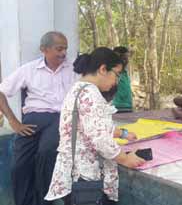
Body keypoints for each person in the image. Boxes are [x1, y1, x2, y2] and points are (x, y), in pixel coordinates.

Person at [45, 47, 145, 204]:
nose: (116, 81)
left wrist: (122, 133)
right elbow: (100, 139)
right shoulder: (91, 94)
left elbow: (89, 127)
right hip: (85, 176)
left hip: (73, 174)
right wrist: (125, 159)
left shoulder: (78, 89)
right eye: (116, 75)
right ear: (103, 69)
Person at [0, 31, 76, 205]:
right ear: (44, 49)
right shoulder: (29, 69)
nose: (63, 53)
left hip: (61, 118)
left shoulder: (73, 68)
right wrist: (13, 122)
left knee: (46, 153)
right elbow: (1, 92)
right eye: (59, 48)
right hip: (34, 119)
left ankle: (43, 202)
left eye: (65, 48)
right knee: (20, 165)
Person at [112, 46, 134, 112]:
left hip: (128, 108)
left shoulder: (125, 73)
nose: (127, 60)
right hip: (117, 108)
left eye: (127, 58)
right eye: (124, 58)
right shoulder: (112, 72)